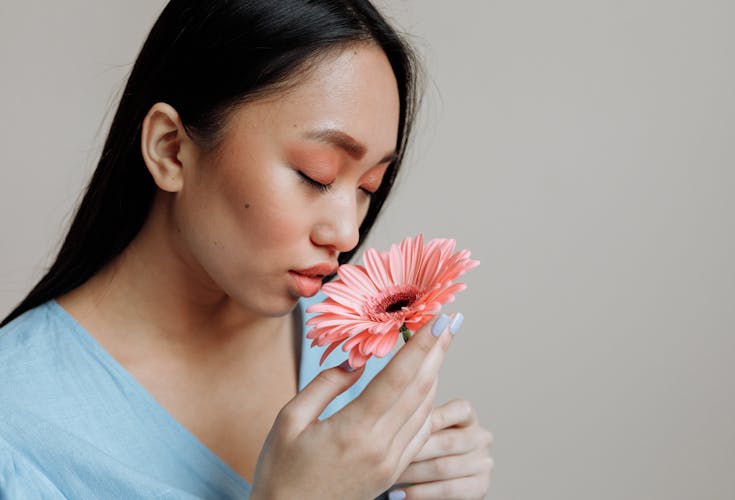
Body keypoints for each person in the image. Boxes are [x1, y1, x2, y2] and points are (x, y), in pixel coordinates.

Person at [0, 1, 493, 498]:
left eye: (368, 186)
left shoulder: (353, 336)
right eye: (315, 174)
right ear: (171, 149)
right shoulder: (16, 426)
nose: (346, 235)